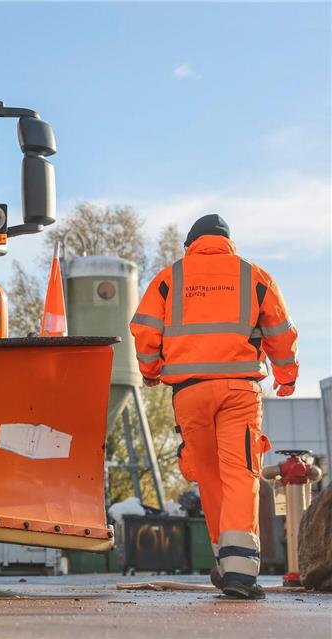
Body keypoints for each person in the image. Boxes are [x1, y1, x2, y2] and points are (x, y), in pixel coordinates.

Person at [130, 214, 299, 600]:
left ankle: (226, 562)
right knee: (240, 472)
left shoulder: (170, 278)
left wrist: (151, 370)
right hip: (239, 391)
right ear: (227, 242)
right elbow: (280, 331)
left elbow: (143, 330)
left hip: (189, 394)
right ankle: (239, 571)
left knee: (208, 475)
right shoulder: (254, 276)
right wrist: (286, 376)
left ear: (190, 243)